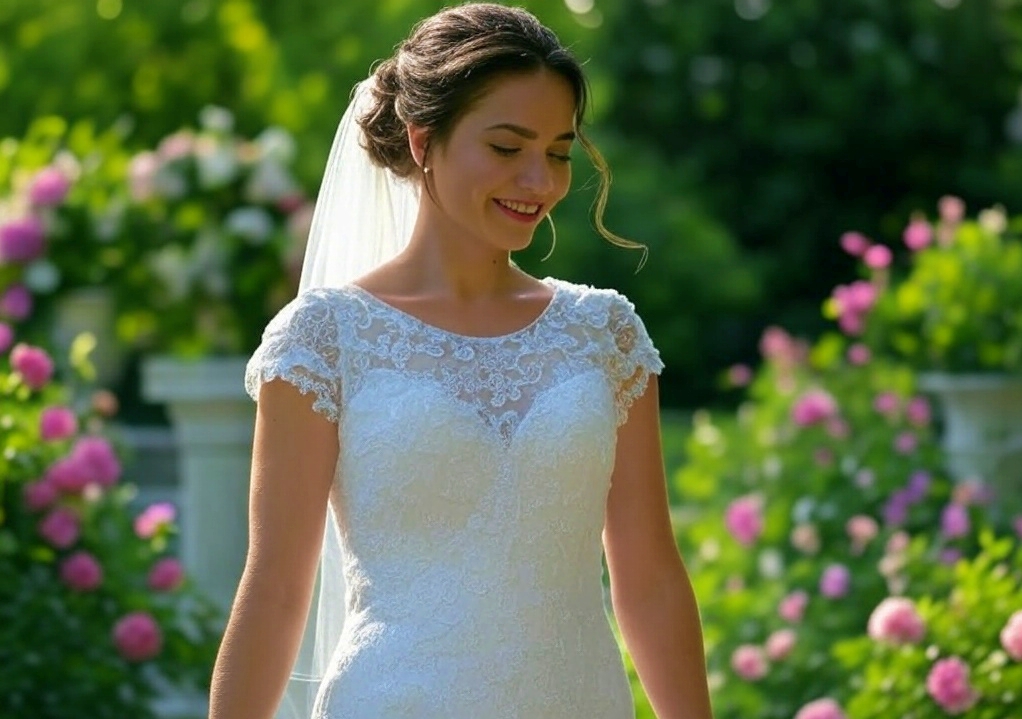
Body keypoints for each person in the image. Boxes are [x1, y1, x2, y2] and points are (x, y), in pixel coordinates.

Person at [208, 4, 713, 718]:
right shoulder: (324, 339)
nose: (538, 180)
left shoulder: (605, 334)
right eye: (507, 148)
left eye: (560, 152)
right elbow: (276, 591)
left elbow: (651, 577)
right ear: (422, 141)